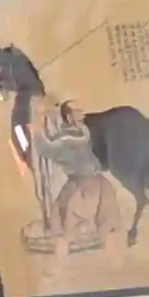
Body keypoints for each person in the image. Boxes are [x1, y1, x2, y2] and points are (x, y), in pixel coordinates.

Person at [31, 100, 122, 257]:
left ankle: (115, 261)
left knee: (105, 223)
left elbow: (47, 147)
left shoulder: (80, 132)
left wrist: (40, 124)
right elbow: (46, 147)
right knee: (68, 224)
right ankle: (60, 268)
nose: (82, 115)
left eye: (82, 111)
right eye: (78, 112)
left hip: (92, 182)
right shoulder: (70, 135)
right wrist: (39, 121)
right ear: (68, 116)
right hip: (85, 184)